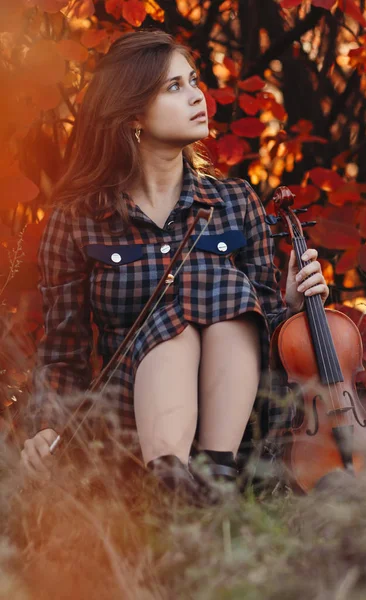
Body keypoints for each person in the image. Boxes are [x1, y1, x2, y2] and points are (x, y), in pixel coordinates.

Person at [20, 29, 328, 502]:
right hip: (129, 420)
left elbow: (266, 336)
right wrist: (45, 424)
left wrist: (290, 305)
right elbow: (65, 348)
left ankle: (208, 482)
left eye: (195, 81)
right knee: (178, 318)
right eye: (174, 87)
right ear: (134, 115)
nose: (197, 96)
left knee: (218, 286)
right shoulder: (80, 219)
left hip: (236, 418)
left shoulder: (234, 201)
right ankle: (173, 481)